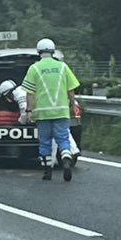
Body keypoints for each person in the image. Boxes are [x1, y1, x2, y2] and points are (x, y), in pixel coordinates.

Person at [21, 38, 80, 181]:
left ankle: (47, 171)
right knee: (63, 138)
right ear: (53, 51)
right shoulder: (63, 67)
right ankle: (66, 157)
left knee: (45, 141)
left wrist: (29, 111)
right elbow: (71, 90)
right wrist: (73, 106)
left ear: (39, 52)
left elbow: (30, 93)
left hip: (42, 112)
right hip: (61, 110)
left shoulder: (34, 68)